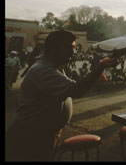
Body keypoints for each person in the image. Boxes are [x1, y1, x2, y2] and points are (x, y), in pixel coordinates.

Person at [5, 30, 118, 161]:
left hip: (45, 133)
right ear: (53, 48)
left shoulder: (55, 67)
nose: (73, 52)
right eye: (68, 47)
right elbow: (76, 90)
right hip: (31, 134)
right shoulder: (43, 70)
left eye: (74, 48)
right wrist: (100, 66)